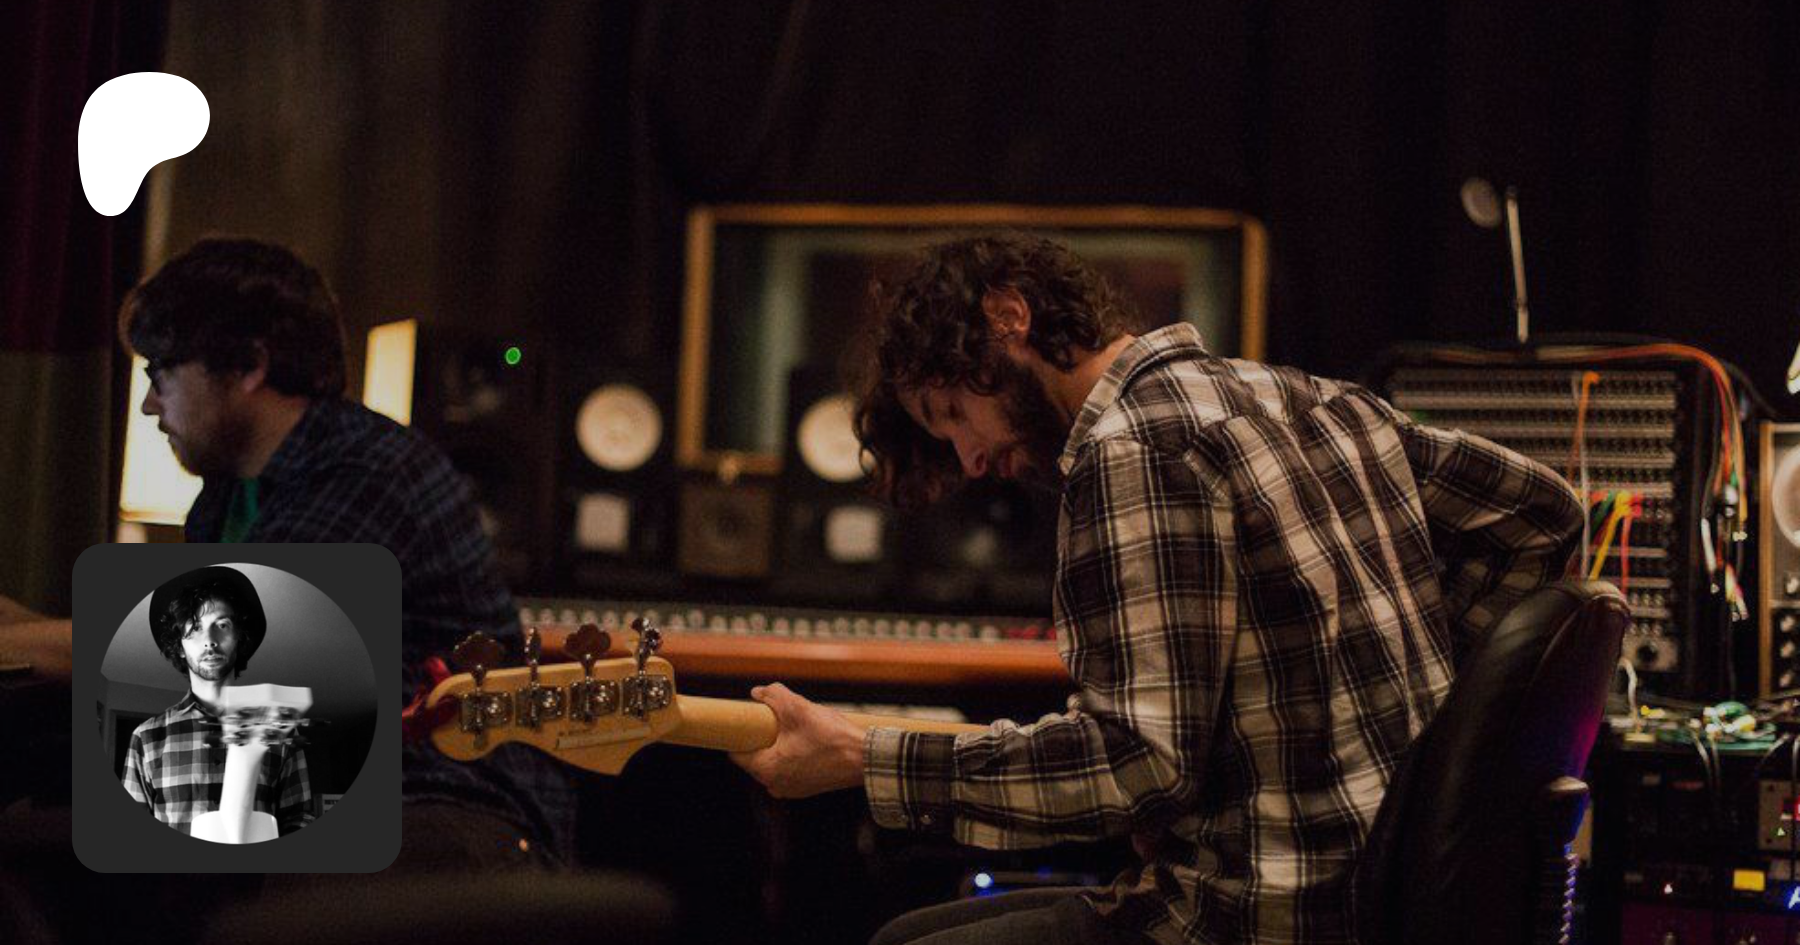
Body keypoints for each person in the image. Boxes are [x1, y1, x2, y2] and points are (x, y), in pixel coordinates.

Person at [730, 234, 1584, 944]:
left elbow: (1132, 765)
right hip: (1389, 901)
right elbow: (1544, 514)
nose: (970, 458)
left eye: (952, 411)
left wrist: (863, 757)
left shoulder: (1132, 447)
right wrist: (1442, 717)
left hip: (1255, 919)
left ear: (1009, 317)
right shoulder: (1311, 397)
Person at [119, 236, 574, 868]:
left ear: (248, 367)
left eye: (160, 373)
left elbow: (216, 656)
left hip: (448, 806)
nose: (149, 404)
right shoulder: (229, 492)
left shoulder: (367, 473)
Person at [122, 565, 313, 836]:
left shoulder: (279, 729)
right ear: (180, 646)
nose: (209, 641)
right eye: (195, 629)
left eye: (222, 625)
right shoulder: (145, 738)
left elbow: (300, 818)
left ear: (239, 638)